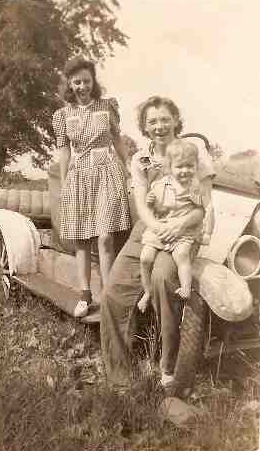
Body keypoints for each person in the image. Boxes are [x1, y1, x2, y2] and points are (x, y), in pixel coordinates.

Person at [100, 96, 215, 388]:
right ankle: (121, 377)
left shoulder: (193, 153)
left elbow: (205, 205)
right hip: (150, 229)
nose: (159, 126)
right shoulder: (141, 159)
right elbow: (141, 204)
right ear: (144, 126)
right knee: (113, 293)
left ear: (176, 120)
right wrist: (157, 227)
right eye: (152, 121)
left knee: (165, 279)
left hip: (186, 228)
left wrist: (177, 225)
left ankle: (170, 369)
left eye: (165, 119)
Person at [52, 56, 131, 318]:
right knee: (82, 239)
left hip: (108, 171)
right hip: (78, 177)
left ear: (93, 81)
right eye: (77, 82)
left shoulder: (108, 106)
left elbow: (118, 141)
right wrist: (64, 185)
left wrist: (128, 169)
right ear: (70, 85)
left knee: (106, 236)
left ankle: (108, 296)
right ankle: (85, 295)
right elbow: (64, 152)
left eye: (87, 80)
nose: (82, 86)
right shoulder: (62, 115)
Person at [138, 139, 214, 314]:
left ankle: (186, 288)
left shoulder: (195, 187)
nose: (185, 171)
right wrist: (151, 202)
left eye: (190, 166)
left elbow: (203, 210)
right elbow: (157, 209)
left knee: (182, 255)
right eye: (180, 167)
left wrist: (207, 232)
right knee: (145, 258)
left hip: (184, 232)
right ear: (170, 168)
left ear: (196, 166)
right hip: (163, 227)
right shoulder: (162, 184)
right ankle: (147, 292)